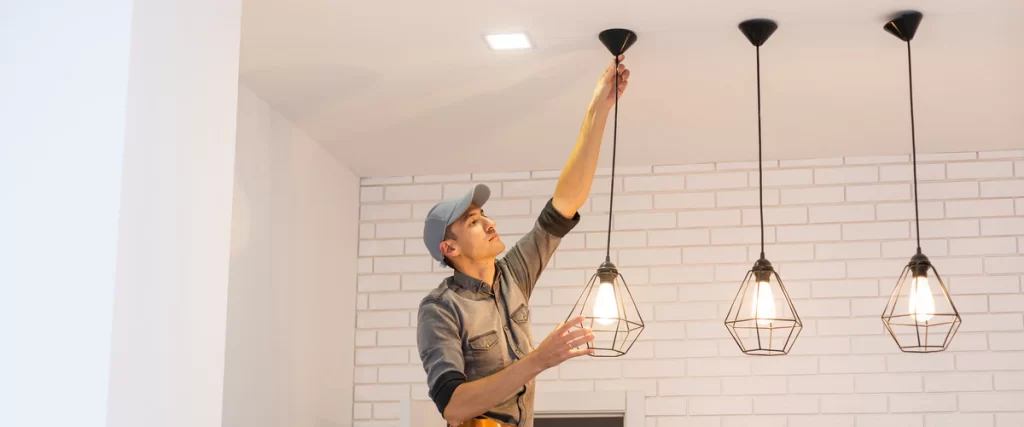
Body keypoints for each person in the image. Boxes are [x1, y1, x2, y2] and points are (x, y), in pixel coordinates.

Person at [415, 55, 631, 427]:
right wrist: (540, 358)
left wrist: (599, 107)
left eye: (484, 215)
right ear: (449, 249)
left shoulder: (512, 274)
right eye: (473, 220)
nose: (489, 222)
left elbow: (564, 204)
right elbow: (453, 406)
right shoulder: (440, 308)